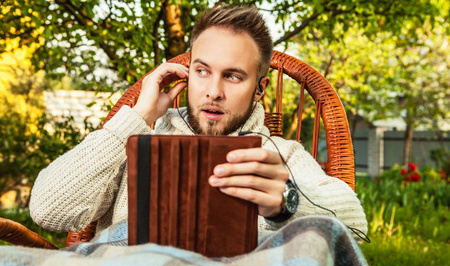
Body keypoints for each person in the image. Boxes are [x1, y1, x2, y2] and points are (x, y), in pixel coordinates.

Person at [29, 5, 367, 245]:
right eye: (203, 71)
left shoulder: (281, 156)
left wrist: (286, 204)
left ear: (260, 89)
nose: (214, 91)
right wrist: (135, 120)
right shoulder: (134, 139)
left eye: (233, 76)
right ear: (187, 74)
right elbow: (47, 211)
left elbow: (355, 227)